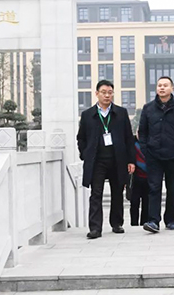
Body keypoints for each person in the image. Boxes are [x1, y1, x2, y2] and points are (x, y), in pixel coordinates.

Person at [77, 80, 136, 239]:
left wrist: (131, 160)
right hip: (97, 161)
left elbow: (129, 138)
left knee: (118, 192)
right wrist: (85, 154)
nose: (107, 95)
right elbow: (81, 138)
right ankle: (95, 228)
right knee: (96, 193)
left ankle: (116, 223)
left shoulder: (121, 113)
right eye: (103, 92)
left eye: (110, 92)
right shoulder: (88, 115)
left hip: (118, 159)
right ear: (97, 94)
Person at [139, 76, 174, 233]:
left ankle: (170, 220)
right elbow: (142, 133)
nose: (162, 88)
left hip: (173, 156)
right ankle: (153, 220)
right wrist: (145, 150)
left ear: (172, 88)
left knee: (172, 189)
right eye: (159, 85)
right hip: (153, 155)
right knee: (154, 188)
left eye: (165, 85)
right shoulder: (148, 108)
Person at [130, 136, 149, 226]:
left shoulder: (149, 143)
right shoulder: (133, 144)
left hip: (148, 177)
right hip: (136, 177)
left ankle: (144, 222)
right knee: (134, 202)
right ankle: (134, 222)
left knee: (146, 202)